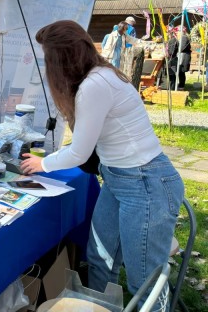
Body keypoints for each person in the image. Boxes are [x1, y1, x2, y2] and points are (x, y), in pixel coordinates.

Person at [20, 20, 184, 311]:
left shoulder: (95, 84)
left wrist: (42, 164)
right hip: (122, 179)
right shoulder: (99, 77)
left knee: (144, 282)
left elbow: (79, 154)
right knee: (100, 259)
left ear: (62, 59)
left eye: (48, 59)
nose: (47, 67)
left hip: (145, 183)